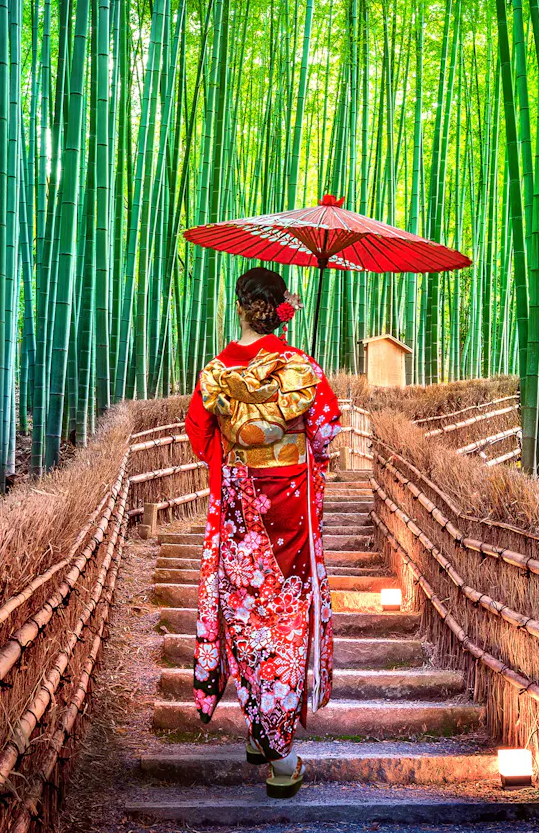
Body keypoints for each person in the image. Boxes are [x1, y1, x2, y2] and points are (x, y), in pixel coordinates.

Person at [184, 267, 341, 799]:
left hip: (236, 512)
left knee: (246, 612)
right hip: (288, 512)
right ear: (281, 309)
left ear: (238, 305)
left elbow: (199, 436)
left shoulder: (215, 370)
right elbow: (322, 434)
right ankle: (282, 757)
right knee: (284, 618)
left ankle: (258, 729)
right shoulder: (301, 367)